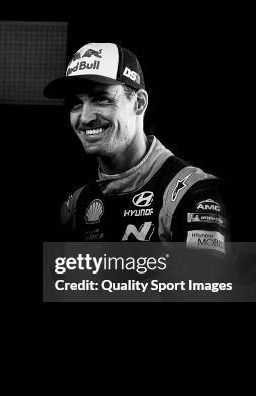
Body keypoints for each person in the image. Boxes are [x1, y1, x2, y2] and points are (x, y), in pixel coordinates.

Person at [44, 42, 229, 254]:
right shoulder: (75, 206)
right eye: (76, 103)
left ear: (139, 103)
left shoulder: (194, 193)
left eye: (101, 99)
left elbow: (204, 284)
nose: (85, 117)